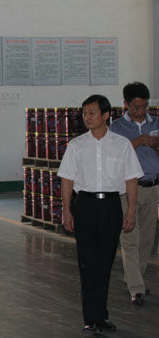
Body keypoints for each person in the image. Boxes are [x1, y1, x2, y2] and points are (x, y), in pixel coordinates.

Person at [58, 94, 143, 334]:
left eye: (92, 113)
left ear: (106, 115)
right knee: (87, 264)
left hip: (111, 206)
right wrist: (67, 209)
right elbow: (67, 180)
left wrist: (131, 210)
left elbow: (131, 179)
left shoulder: (122, 144)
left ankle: (101, 316)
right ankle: (90, 318)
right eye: (84, 113)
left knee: (105, 263)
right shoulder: (76, 145)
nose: (87, 117)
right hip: (85, 205)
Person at [109, 82, 159, 306]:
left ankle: (134, 278)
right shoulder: (116, 128)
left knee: (147, 238)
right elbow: (112, 158)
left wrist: (155, 146)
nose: (140, 111)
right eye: (136, 107)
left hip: (152, 186)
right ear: (126, 104)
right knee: (130, 237)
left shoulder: (156, 123)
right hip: (129, 189)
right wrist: (136, 143)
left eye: (144, 106)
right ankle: (136, 288)